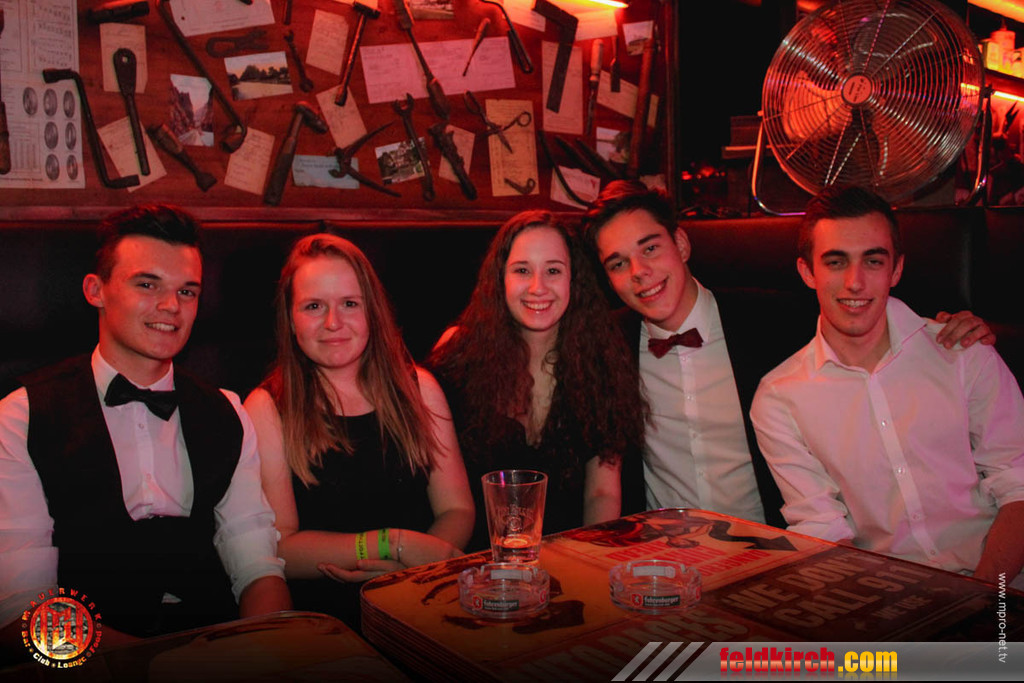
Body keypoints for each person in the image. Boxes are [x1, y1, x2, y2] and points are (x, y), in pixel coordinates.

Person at [582, 180, 996, 528]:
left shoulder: (778, 321)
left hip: (774, 548)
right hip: (665, 555)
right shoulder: (607, 345)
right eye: (618, 264)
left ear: (681, 243)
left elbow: (859, 303)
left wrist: (946, 325)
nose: (639, 272)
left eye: (650, 249)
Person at [0, 205, 291, 653]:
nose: (171, 306)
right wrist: (158, 668)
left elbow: (259, 568)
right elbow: (22, 615)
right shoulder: (21, 417)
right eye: (147, 284)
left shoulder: (228, 412)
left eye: (187, 291)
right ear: (96, 290)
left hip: (218, 651)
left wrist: (267, 653)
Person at [750, 185, 1024, 586]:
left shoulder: (964, 352)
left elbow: (1018, 485)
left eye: (873, 261)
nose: (855, 282)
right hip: (890, 597)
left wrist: (985, 600)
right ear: (808, 272)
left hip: (1001, 582)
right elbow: (823, 528)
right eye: (836, 262)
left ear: (896, 269)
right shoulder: (779, 397)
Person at [243, 233, 473, 630]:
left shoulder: (420, 388)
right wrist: (390, 543)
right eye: (314, 306)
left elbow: (458, 509)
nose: (333, 322)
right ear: (290, 319)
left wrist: (413, 572)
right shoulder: (266, 407)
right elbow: (280, 547)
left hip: (423, 603)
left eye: (350, 304)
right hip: (328, 625)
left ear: (373, 312)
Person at [427, 211, 647, 552]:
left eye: (553, 271)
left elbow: (602, 493)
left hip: (568, 558)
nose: (538, 287)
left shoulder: (601, 359)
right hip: (475, 562)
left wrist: (588, 562)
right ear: (500, 279)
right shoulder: (459, 354)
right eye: (522, 270)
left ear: (574, 280)